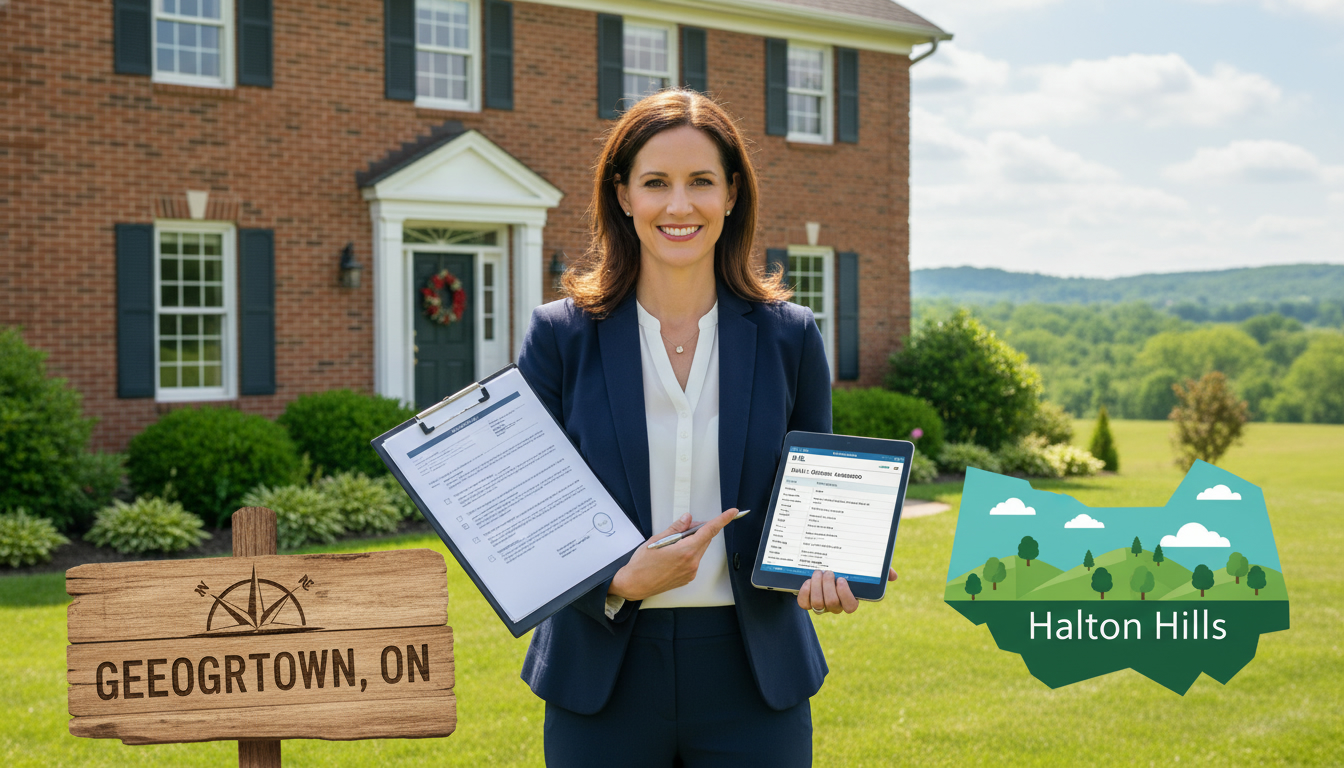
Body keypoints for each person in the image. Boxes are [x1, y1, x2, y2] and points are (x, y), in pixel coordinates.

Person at [517, 89, 897, 768]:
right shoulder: (560, 337)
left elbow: (813, 501)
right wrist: (616, 581)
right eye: (655, 183)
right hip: (600, 672)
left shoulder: (790, 336)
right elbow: (530, 520)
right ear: (622, 195)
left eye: (700, 181)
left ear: (731, 195)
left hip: (753, 675)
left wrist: (833, 561)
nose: (679, 205)